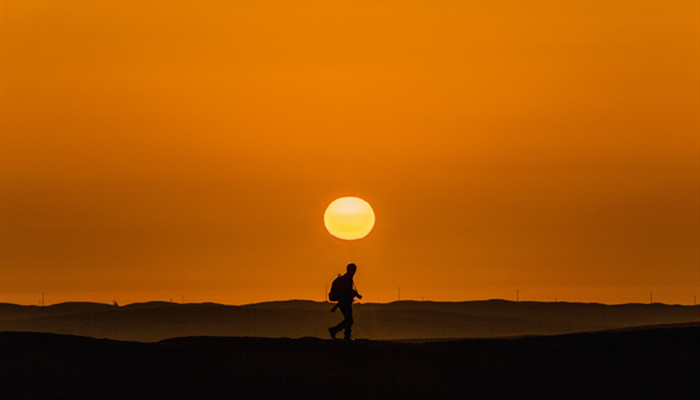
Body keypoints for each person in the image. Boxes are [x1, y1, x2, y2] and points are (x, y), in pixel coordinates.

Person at [328, 263, 362, 340]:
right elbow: (346, 291)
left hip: (344, 302)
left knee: (349, 319)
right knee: (349, 319)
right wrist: (353, 294)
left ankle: (340, 332)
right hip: (344, 302)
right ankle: (338, 332)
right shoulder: (347, 279)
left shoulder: (347, 278)